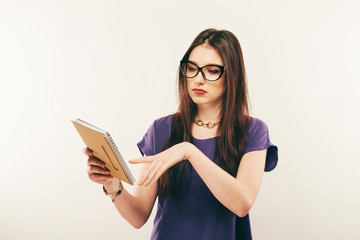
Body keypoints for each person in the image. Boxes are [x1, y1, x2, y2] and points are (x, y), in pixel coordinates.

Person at [83, 28, 278, 240]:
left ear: (232, 75)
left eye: (212, 70)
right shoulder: (161, 130)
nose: (198, 79)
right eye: (191, 68)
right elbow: (138, 216)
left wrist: (189, 151)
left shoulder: (253, 131)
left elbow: (242, 203)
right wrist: (113, 186)